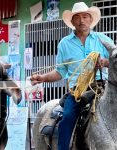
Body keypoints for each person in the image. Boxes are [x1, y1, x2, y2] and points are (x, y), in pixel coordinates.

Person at [31, 2, 114, 150]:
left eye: (85, 16)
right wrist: (42, 78)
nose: (82, 20)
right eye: (77, 17)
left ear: (90, 19)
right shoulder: (64, 44)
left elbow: (115, 61)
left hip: (102, 87)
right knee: (68, 117)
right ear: (72, 21)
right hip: (78, 92)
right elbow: (60, 72)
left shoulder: (103, 40)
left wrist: (105, 62)